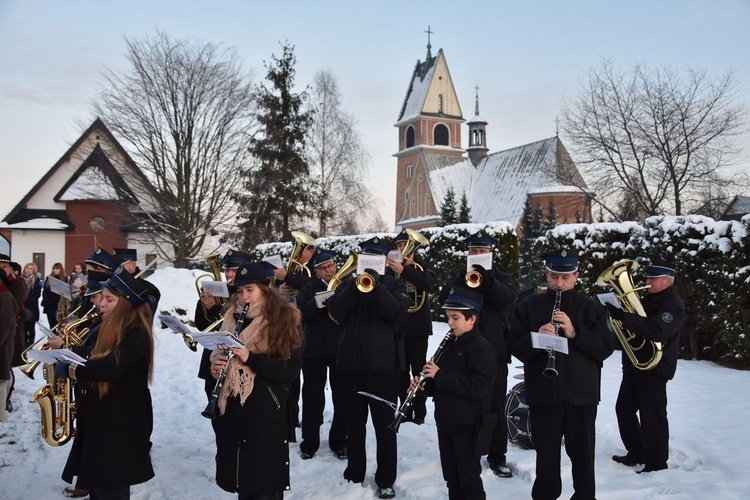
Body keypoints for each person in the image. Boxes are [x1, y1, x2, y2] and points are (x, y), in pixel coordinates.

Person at [508, 249, 615, 500]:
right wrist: (537, 338)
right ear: (546, 274)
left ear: (576, 276)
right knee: (546, 458)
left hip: (582, 395)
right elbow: (513, 345)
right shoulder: (528, 306)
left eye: (566, 277)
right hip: (544, 394)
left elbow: (605, 348)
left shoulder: (592, 308)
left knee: (583, 457)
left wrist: (574, 332)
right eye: (554, 276)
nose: (559, 283)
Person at [58, 266, 155, 499]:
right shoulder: (109, 326)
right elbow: (91, 353)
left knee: (111, 488)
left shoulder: (135, 331)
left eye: (109, 300)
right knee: (99, 486)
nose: (101, 304)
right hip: (102, 420)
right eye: (102, 298)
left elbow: (109, 368)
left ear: (126, 303)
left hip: (119, 426)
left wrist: (72, 369)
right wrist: (64, 351)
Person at [326, 237, 411, 499]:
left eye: (376, 259)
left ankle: (386, 479)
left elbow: (395, 313)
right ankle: (355, 471)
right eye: (366, 258)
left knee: (385, 427)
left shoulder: (395, 286)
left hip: (384, 369)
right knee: (354, 423)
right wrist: (354, 286)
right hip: (351, 368)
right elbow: (336, 312)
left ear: (385, 262)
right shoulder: (349, 285)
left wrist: (376, 287)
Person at [209, 262, 302, 499]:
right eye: (239, 291)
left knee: (264, 481)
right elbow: (218, 354)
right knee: (242, 477)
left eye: (249, 290)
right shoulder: (231, 316)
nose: (243, 296)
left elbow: (290, 371)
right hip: (234, 408)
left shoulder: (283, 318)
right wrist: (217, 366)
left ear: (265, 287)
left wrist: (250, 358)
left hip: (266, 410)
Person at [438, 231, 518, 478]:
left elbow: (507, 300)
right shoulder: (460, 277)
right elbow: (444, 298)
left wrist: (487, 281)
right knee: (466, 401)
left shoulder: (501, 278)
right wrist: (462, 280)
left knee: (494, 405)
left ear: (490, 254)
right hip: (464, 351)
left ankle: (497, 455)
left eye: (482, 251)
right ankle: (469, 448)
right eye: (473, 251)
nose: (478, 255)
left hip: (493, 350)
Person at [417, 285, 496, 499]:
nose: (450, 322)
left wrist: (440, 375)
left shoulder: (481, 348)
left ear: (472, 319)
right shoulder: (450, 344)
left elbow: (479, 388)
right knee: (452, 479)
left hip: (468, 425)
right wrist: (424, 385)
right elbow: (440, 382)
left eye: (455, 317)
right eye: (448, 317)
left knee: (469, 480)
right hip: (447, 421)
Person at [609, 259, 685, 474]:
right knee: (623, 409)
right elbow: (636, 326)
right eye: (648, 277)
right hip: (635, 365)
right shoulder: (649, 299)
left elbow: (656, 331)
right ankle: (636, 452)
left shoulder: (672, 304)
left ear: (667, 281)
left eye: (653, 278)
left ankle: (657, 461)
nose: (647, 281)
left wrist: (624, 317)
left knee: (653, 415)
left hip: (655, 367)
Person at [48, 269, 111, 499]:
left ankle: (87, 481)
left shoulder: (107, 320)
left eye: (99, 297)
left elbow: (94, 352)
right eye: (97, 297)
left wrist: (66, 347)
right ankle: (85, 480)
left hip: (96, 387)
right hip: (87, 383)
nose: (97, 302)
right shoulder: (93, 312)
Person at [296, 249, 347, 460]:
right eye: (323, 268)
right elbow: (302, 313)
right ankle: (309, 443)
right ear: (316, 271)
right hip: (314, 350)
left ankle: (339, 441)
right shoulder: (308, 288)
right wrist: (323, 299)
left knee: (342, 397)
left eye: (331, 266)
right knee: (312, 397)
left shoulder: (346, 286)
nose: (329, 270)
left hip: (340, 350)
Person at [387, 229, 436, 425]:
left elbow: (428, 284)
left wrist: (405, 270)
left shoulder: (422, 267)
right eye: (399, 246)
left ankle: (420, 410)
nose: (403, 249)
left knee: (418, 370)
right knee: (400, 371)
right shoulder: (389, 270)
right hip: (398, 328)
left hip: (418, 328)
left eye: (406, 245)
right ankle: (404, 406)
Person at [196, 249, 252, 401]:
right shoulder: (219, 290)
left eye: (234, 270)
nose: (228, 275)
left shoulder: (250, 294)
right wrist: (204, 305)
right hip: (213, 358)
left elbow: (239, 324)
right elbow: (202, 326)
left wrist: (214, 309)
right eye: (227, 270)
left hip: (239, 359)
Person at [112, 248, 161, 315]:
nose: (116, 269)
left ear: (133, 265)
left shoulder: (149, 289)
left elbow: (146, 314)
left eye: (121, 266)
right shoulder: (111, 284)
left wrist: (132, 288)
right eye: (115, 266)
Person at [0, 256, 19, 423]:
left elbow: (5, 324)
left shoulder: (5, 295)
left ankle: (1, 414)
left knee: (3, 379)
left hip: (3, 345)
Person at [22, 262, 43, 345]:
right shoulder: (21, 279)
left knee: (31, 328)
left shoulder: (36, 280)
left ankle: (30, 344)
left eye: (31, 268)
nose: (28, 270)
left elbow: (37, 294)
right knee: (23, 329)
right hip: (22, 307)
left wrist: (27, 300)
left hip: (32, 308)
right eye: (27, 268)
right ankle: (23, 344)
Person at [42, 262, 66, 329]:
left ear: (60, 269)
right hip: (49, 305)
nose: (55, 270)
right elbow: (45, 291)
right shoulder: (49, 278)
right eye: (54, 268)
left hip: (58, 306)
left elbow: (63, 293)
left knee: (59, 325)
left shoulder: (64, 278)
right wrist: (46, 301)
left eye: (57, 268)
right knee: (51, 325)